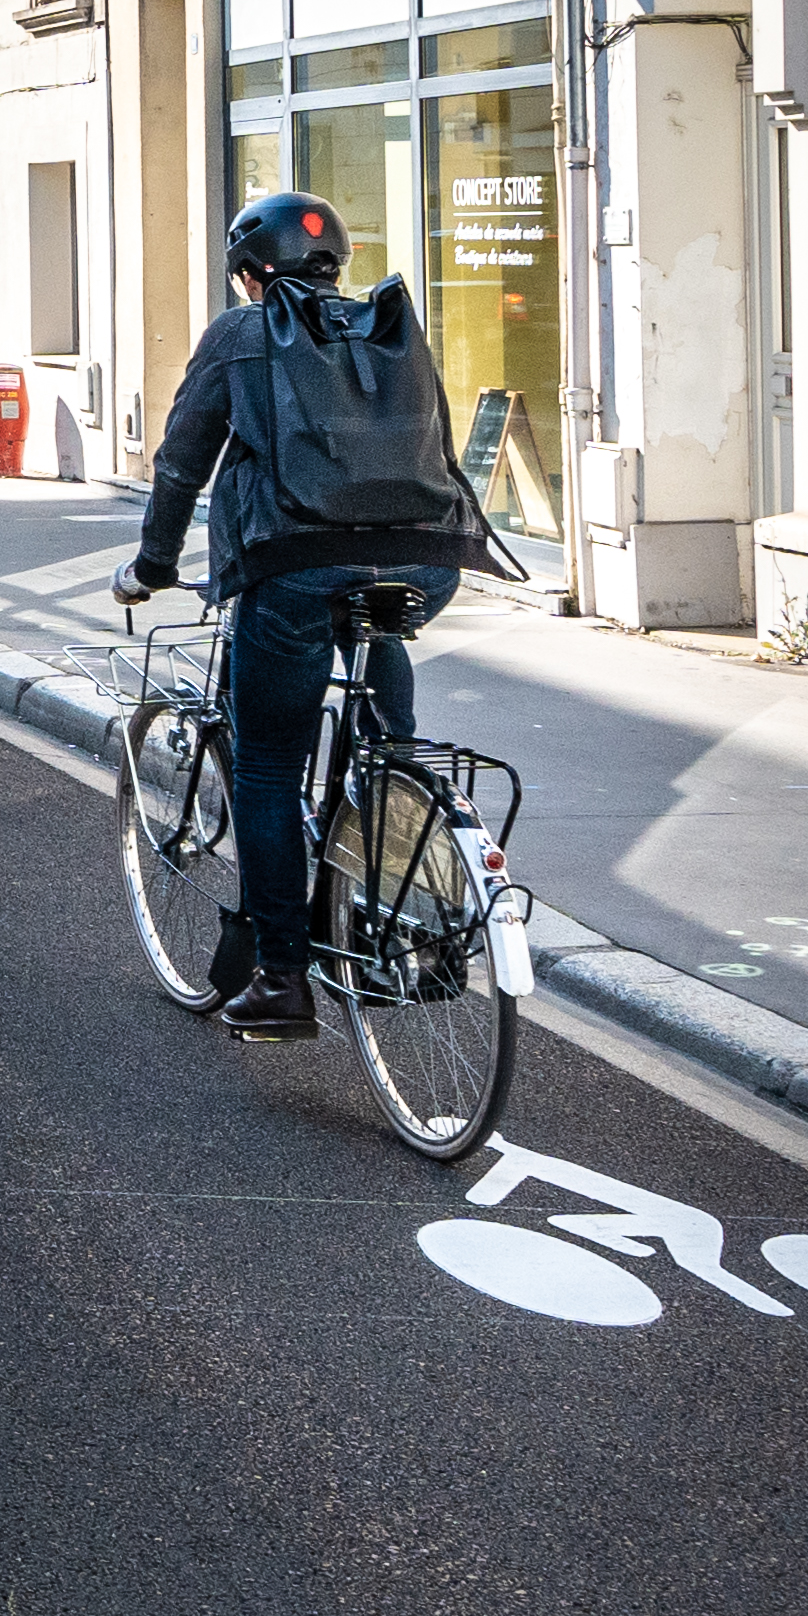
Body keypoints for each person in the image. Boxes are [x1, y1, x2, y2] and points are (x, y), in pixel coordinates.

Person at [122, 191, 478, 1041]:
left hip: (293, 571)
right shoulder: (389, 327)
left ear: (250, 277)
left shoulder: (241, 335)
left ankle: (284, 977)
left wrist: (152, 567)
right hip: (426, 566)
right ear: (334, 267)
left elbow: (179, 467)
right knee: (378, 681)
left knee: (270, 764)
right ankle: (393, 814)